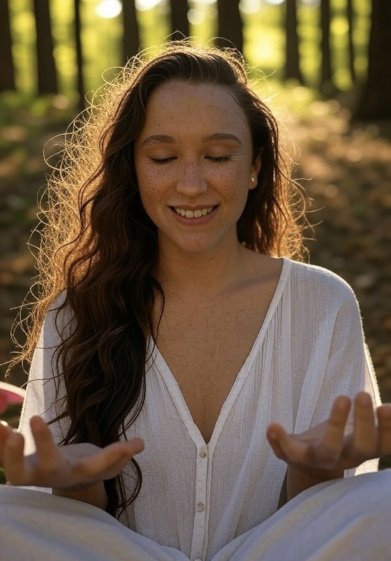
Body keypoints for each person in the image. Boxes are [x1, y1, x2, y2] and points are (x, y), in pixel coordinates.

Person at [0, 41, 390, 561]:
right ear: (133, 169)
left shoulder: (321, 304)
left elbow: (322, 524)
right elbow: (69, 533)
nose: (190, 183)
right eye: (163, 157)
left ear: (254, 167)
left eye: (218, 156)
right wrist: (77, 485)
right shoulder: (77, 311)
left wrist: (315, 470)